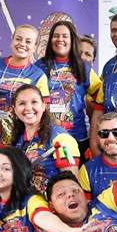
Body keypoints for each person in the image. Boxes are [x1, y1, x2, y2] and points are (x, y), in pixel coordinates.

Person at [35, 20, 101, 157]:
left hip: (77, 137)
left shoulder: (83, 67)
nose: (60, 39)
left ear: (72, 40)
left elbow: (101, 100)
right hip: (46, 137)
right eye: (56, 36)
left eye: (65, 36)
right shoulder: (39, 66)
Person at [6, 85, 79, 195]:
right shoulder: (17, 138)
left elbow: (72, 186)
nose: (28, 108)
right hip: (24, 200)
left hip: (50, 202)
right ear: (15, 110)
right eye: (22, 103)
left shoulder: (61, 138)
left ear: (44, 106)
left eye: (34, 102)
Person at [0, 24, 50, 145]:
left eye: (28, 41)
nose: (22, 44)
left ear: (35, 47)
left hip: (20, 137)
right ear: (12, 41)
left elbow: (43, 110)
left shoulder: (38, 75)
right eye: (18, 39)